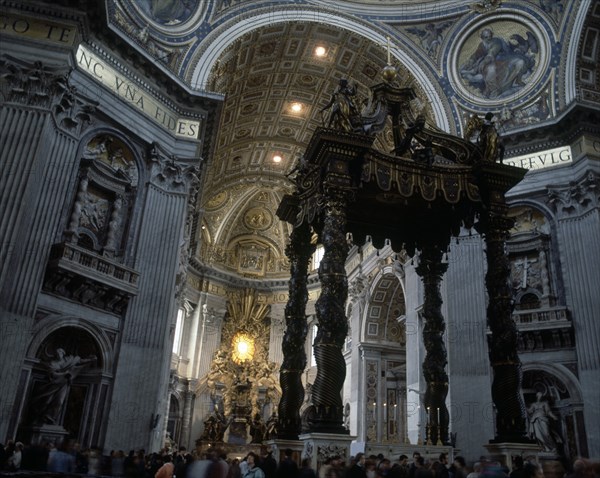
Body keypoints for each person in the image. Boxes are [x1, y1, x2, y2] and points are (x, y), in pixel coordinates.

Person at [33, 347, 96, 425]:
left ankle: (50, 418)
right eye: (57, 353)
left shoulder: (69, 360)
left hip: (64, 384)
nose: (58, 354)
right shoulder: (53, 363)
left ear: (63, 353)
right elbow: (53, 374)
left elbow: (80, 361)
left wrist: (90, 360)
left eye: (60, 352)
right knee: (47, 401)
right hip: (54, 384)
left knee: (60, 401)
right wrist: (64, 374)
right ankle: (39, 418)